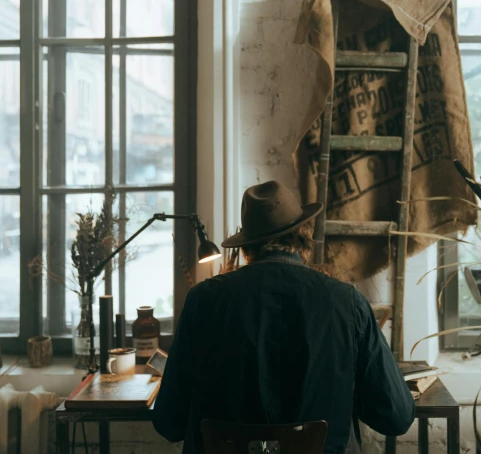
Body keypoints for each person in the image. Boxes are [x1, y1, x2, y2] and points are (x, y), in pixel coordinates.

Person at [154, 180, 414, 453]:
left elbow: (169, 422)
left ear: (246, 248)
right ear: (304, 235)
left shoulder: (203, 301)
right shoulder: (348, 303)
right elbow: (396, 417)